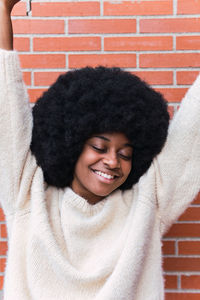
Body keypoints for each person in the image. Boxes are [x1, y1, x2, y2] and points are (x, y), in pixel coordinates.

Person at [0, 0, 200, 299]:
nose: (112, 161)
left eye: (125, 153)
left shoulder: (147, 203)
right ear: (72, 144)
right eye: (99, 147)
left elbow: (192, 133)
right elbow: (7, 114)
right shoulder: (28, 194)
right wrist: (3, 10)